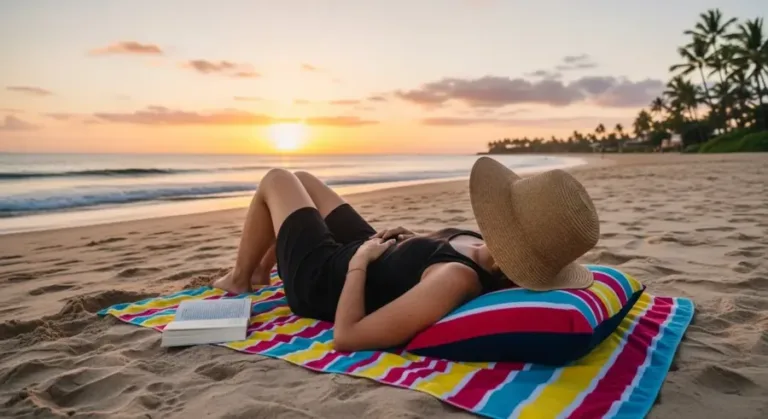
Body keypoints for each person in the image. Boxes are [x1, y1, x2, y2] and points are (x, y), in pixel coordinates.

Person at [214, 157, 600, 352]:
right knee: (303, 181)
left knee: (276, 179)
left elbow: (348, 337)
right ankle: (266, 266)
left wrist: (361, 263)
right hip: (366, 246)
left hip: (325, 278)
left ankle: (241, 278)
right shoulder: (480, 245)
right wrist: (410, 240)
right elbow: (425, 262)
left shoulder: (457, 279)